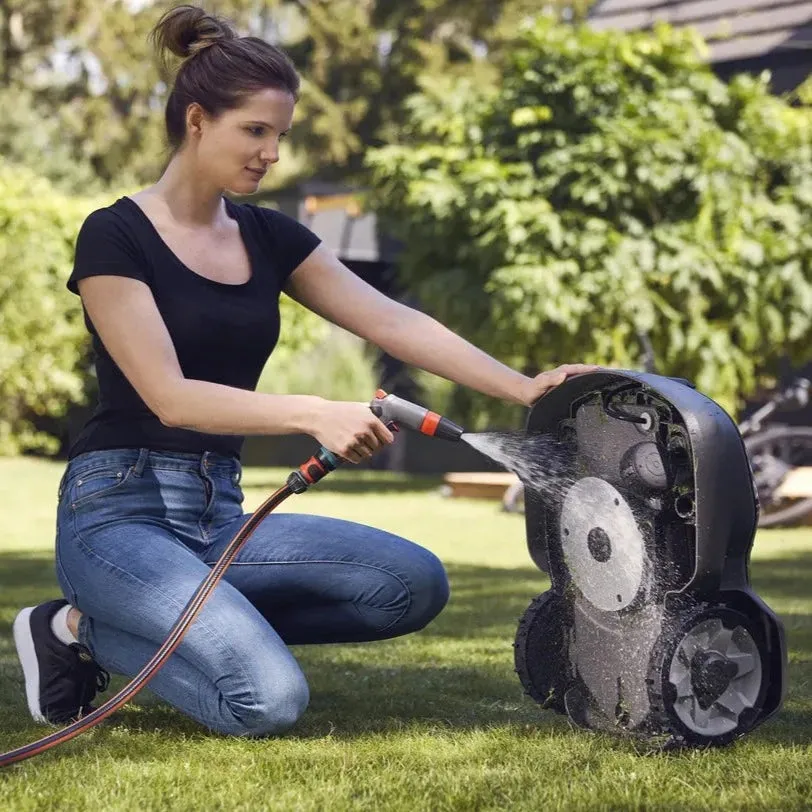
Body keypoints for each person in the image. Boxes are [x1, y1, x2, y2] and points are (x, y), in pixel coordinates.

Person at [12, 4, 598, 737]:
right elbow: (169, 396)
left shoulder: (270, 236)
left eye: (280, 135)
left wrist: (522, 386)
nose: (272, 153)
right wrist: (314, 411)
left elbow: (391, 320)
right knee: (267, 701)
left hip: (218, 513)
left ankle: (194, 622)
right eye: (255, 131)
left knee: (409, 586)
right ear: (197, 121)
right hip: (119, 513)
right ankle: (75, 627)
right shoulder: (115, 234)